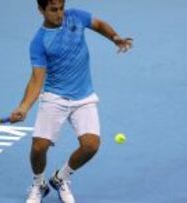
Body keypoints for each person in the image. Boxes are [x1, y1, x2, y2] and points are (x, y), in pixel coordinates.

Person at [9, 0, 132, 202]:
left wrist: (115, 37)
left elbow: (99, 24)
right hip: (54, 97)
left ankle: (61, 178)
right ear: (41, 10)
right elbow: (36, 79)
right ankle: (39, 184)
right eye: (53, 10)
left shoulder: (76, 16)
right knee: (39, 147)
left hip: (84, 96)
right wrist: (24, 107)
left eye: (61, 8)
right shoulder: (39, 42)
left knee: (91, 145)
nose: (59, 14)